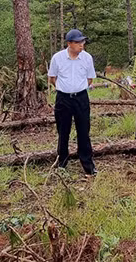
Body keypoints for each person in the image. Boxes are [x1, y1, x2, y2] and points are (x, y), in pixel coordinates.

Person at [48, 29, 96, 175]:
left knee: (83, 131)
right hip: (63, 99)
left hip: (81, 98)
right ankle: (61, 163)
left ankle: (88, 165)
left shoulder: (87, 58)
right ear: (69, 43)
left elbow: (89, 79)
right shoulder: (58, 58)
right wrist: (65, 89)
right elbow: (52, 78)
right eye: (78, 42)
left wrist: (77, 89)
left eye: (83, 42)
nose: (82, 45)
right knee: (63, 131)